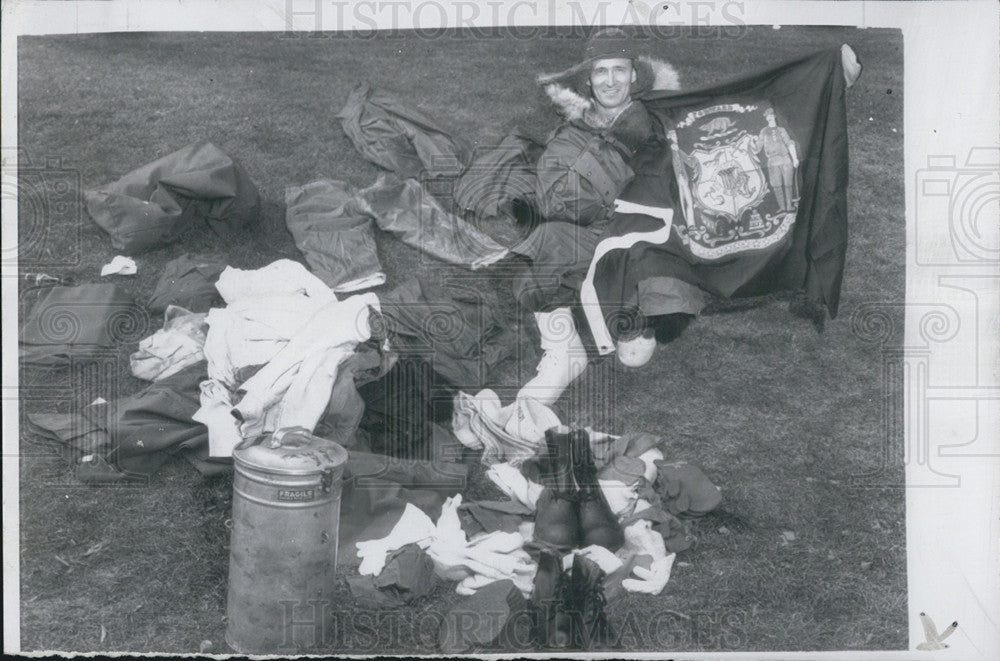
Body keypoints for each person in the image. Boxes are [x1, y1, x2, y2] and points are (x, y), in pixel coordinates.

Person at [508, 28, 680, 405]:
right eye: (601, 72)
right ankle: (564, 351)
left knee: (634, 352)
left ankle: (638, 314)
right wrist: (616, 147)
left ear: (635, 75)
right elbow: (557, 200)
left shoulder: (663, 120)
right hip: (603, 237)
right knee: (544, 244)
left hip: (660, 239)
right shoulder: (572, 133)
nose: (611, 81)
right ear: (588, 79)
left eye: (620, 70)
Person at [754, 107, 799, 212]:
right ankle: (782, 207)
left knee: (788, 184)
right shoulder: (764, 131)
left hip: (785, 159)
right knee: (776, 185)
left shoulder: (781, 130)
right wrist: (750, 146)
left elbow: (789, 143)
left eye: (770, 116)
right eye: (767, 116)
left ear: (774, 116)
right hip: (772, 161)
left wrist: (795, 158)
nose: (769, 118)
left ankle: (789, 206)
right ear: (766, 118)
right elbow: (757, 147)